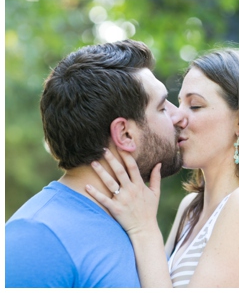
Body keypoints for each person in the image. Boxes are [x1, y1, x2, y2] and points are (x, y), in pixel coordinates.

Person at [87, 48, 239, 288]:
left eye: (195, 106)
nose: (177, 117)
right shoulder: (190, 208)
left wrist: (144, 228)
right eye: (179, 103)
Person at [5, 39, 183, 288]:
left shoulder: (135, 220)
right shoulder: (36, 237)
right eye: (163, 107)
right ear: (124, 134)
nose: (178, 115)